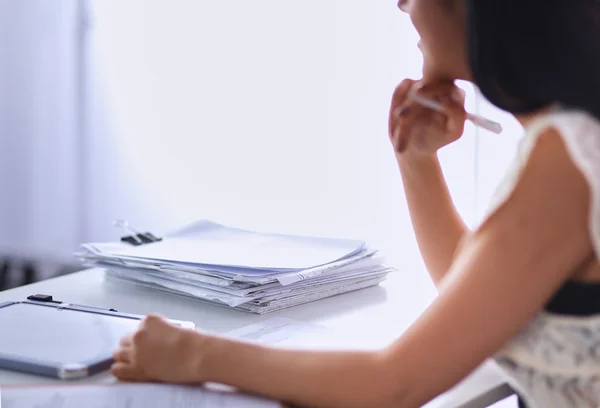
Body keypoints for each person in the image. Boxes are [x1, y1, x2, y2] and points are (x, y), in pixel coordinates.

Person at [111, 1, 600, 407]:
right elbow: (480, 302)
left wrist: (192, 354)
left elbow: (393, 383)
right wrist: (417, 162)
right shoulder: (572, 135)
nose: (401, 3)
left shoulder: (568, 158)